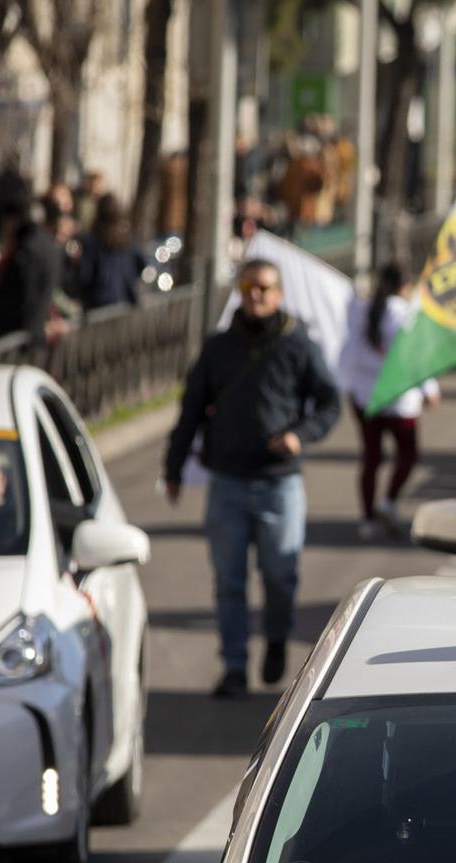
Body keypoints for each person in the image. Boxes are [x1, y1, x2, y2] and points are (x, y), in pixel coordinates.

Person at [164, 259, 342, 698]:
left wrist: (300, 436)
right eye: (248, 287)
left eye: (264, 288)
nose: (256, 295)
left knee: (280, 575)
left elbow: (329, 404)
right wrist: (173, 468)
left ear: (279, 294)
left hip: (279, 484)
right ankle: (235, 667)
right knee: (229, 581)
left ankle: (277, 638)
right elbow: (190, 410)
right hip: (227, 482)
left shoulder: (297, 344)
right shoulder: (219, 347)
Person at [337, 262, 440, 539]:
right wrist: (429, 388)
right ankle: (388, 502)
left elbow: (348, 349)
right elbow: (415, 356)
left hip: (364, 397)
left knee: (372, 457)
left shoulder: (361, 309)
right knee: (408, 454)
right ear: (404, 287)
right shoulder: (406, 313)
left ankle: (367, 519)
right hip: (398, 401)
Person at [0, 201, 63, 342]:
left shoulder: (27, 249)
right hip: (34, 330)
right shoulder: (48, 245)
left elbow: (26, 292)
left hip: (21, 333)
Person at [77, 195, 148, 309]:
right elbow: (142, 263)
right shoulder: (127, 239)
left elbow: (85, 275)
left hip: (99, 303)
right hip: (124, 300)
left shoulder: (92, 241)